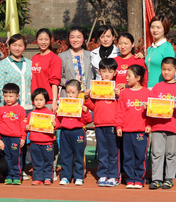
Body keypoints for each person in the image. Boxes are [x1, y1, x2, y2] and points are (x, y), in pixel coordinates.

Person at [149, 57, 176, 189]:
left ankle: (168, 178)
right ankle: (156, 178)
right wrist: (148, 106)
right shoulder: (157, 87)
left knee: (171, 154)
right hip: (157, 126)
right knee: (157, 153)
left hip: (173, 126)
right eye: (164, 69)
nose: (166, 72)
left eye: (169, 70)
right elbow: (152, 104)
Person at [84, 58, 121, 187]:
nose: (106, 74)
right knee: (102, 151)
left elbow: (122, 106)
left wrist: (119, 95)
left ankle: (114, 176)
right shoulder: (97, 88)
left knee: (113, 152)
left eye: (110, 71)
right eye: (103, 71)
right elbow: (93, 107)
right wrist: (87, 97)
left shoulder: (117, 89)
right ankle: (103, 175)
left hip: (113, 125)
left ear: (115, 73)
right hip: (99, 124)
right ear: (99, 72)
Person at [116, 65, 152, 188]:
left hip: (141, 131)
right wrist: (119, 127)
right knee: (128, 156)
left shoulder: (147, 92)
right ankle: (130, 178)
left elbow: (151, 112)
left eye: (129, 75)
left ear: (138, 78)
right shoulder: (124, 93)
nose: (126, 78)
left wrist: (148, 125)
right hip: (126, 131)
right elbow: (120, 111)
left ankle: (139, 178)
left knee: (140, 156)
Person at [57, 80, 92, 186]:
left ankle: (78, 176)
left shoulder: (82, 105)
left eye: (73, 93)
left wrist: (85, 111)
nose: (70, 95)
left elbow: (89, 120)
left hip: (78, 132)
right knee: (65, 155)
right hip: (65, 132)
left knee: (79, 155)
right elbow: (58, 121)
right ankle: (65, 176)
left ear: (79, 93)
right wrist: (55, 116)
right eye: (68, 92)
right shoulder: (63, 105)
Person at [0, 34, 33, 111]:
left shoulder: (30, 63)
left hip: (29, 107)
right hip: (10, 109)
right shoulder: (2, 64)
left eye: (20, 45)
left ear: (25, 47)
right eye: (14, 45)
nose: (17, 48)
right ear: (9, 46)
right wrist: (2, 107)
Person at [0, 83, 27, 185]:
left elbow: (23, 125)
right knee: (6, 157)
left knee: (16, 157)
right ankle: (8, 176)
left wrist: (23, 138)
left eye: (11, 96)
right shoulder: (2, 109)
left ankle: (16, 176)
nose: (8, 99)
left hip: (16, 138)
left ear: (17, 96)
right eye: (5, 96)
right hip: (4, 138)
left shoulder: (20, 110)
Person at [27, 88, 56, 185]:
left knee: (48, 161)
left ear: (46, 100)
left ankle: (48, 177)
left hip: (47, 143)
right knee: (36, 161)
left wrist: (55, 124)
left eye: (41, 100)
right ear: (33, 101)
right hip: (34, 143)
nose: (38, 102)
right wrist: (27, 126)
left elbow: (58, 125)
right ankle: (38, 177)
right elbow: (26, 127)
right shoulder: (31, 114)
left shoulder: (50, 113)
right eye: (36, 100)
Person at [31, 28, 62, 112]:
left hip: (48, 102)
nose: (43, 42)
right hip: (35, 101)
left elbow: (55, 82)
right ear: (36, 40)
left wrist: (54, 101)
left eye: (46, 39)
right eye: (40, 39)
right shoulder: (34, 58)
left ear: (50, 40)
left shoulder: (54, 58)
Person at [59, 27, 93, 97]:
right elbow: (57, 78)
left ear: (83, 39)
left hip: (88, 96)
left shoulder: (91, 55)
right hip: (69, 96)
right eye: (72, 37)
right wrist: (66, 82)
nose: (75, 40)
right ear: (68, 39)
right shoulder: (62, 56)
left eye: (79, 37)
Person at [145, 15, 176, 88]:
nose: (154, 30)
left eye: (158, 27)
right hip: (148, 88)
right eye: (152, 27)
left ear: (165, 29)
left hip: (161, 88)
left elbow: (170, 71)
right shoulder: (149, 49)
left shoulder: (167, 47)